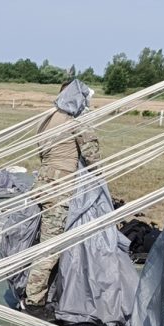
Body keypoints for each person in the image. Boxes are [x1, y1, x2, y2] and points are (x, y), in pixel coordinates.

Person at [22, 79, 99, 312]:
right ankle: (34, 301)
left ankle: (37, 291)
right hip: (60, 189)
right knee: (50, 247)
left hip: (42, 183)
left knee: (40, 240)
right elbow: (92, 155)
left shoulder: (47, 118)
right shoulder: (76, 121)